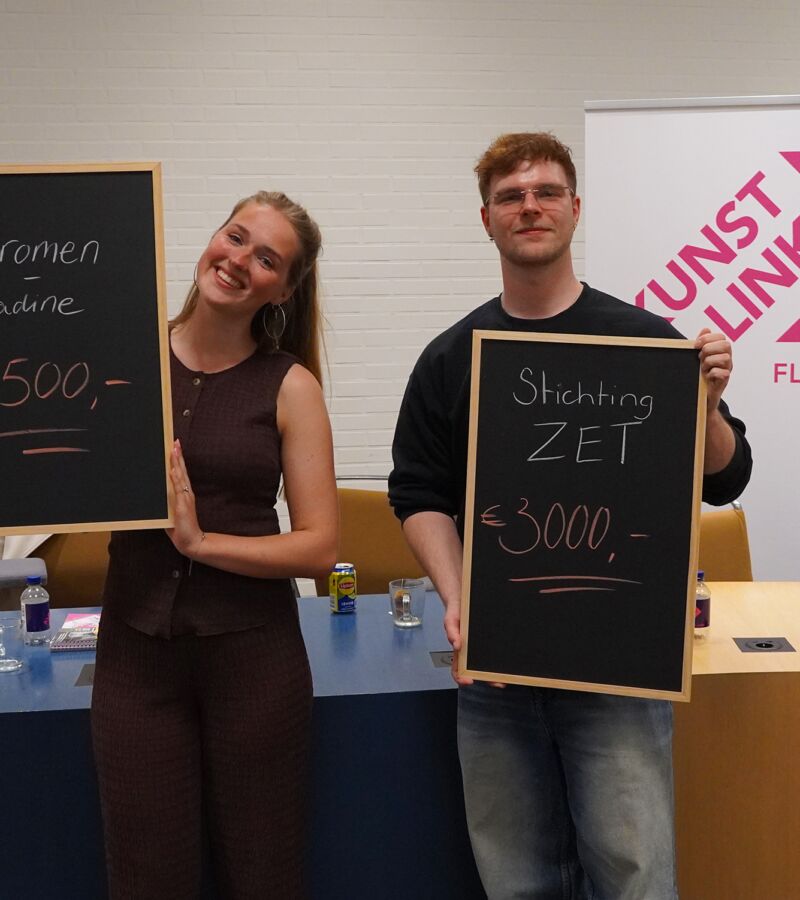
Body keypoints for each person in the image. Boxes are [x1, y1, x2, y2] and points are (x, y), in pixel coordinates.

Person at [389, 133, 752, 899]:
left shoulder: (645, 344)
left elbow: (726, 478)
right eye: (510, 197)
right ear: (485, 219)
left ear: (575, 208)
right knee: (516, 879)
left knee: (635, 876)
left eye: (547, 192)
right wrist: (458, 599)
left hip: (618, 668)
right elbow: (417, 493)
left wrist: (708, 408)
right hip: (496, 666)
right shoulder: (452, 358)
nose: (530, 207)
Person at [91, 191, 338, 899]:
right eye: (234, 237)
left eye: (267, 259)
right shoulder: (121, 359)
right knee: (146, 880)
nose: (238, 261)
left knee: (263, 877)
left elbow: (319, 548)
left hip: (255, 664)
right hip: (135, 661)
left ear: (282, 291)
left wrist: (201, 543)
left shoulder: (290, 387)